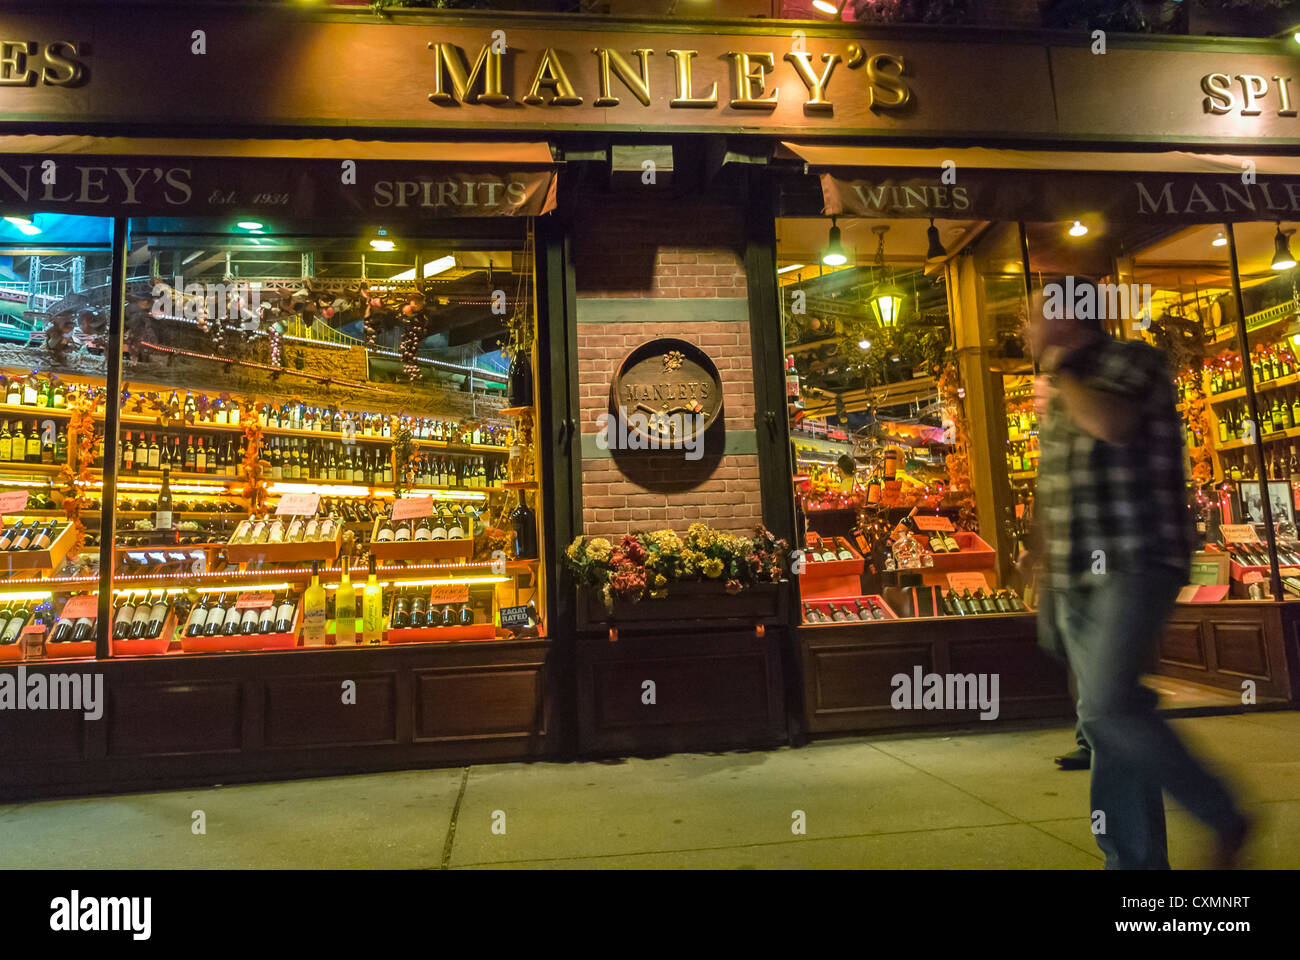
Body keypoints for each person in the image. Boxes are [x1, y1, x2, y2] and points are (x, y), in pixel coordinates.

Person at [1024, 290, 1249, 869]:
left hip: (1135, 560)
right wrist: (1043, 569)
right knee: (1109, 721)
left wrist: (1064, 369)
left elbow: (1110, 424)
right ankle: (1136, 867)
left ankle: (1223, 813)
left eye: (1035, 313)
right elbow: (1056, 485)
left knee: (1106, 708)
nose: (1025, 326)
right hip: (1076, 573)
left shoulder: (1133, 361)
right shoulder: (1059, 393)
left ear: (1067, 314)